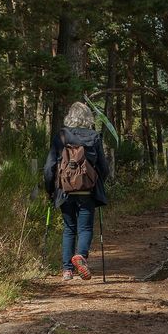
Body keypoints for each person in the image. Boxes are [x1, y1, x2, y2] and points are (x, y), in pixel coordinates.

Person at [44, 102, 109, 281]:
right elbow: (103, 168)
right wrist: (99, 183)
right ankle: (80, 256)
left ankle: (67, 270)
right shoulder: (94, 136)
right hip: (87, 191)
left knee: (69, 228)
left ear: (69, 116)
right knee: (85, 228)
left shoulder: (61, 136)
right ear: (88, 117)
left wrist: (50, 190)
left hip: (65, 191)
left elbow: (49, 168)